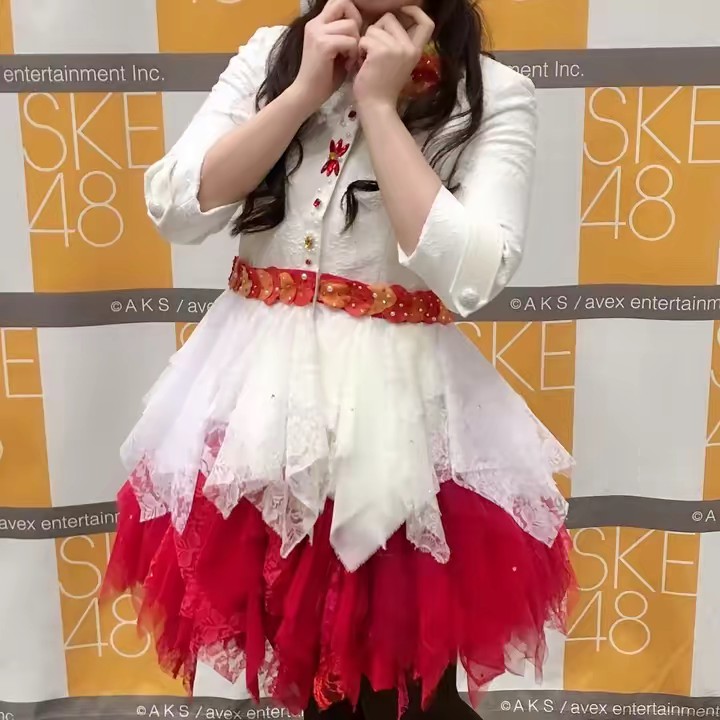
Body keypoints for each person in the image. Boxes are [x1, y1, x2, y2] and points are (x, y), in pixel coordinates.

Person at [103, 0, 575, 717]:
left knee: (397, 677)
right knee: (299, 654)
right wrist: (301, 92)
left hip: (392, 415)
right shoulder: (273, 55)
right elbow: (176, 206)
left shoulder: (495, 92)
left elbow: (472, 273)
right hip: (259, 403)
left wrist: (380, 109)